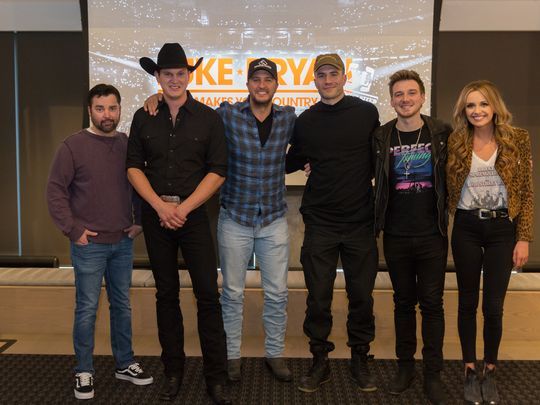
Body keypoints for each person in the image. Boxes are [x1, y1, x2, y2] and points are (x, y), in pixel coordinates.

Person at [144, 58, 296, 382]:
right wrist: (157, 97)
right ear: (247, 84)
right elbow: (186, 102)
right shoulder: (226, 114)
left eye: (268, 80)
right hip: (235, 219)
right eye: (256, 79)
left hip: (273, 220)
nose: (261, 85)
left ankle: (275, 354)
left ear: (276, 85)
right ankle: (231, 357)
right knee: (232, 294)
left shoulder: (289, 118)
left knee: (278, 293)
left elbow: (311, 145)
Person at [126, 43, 231, 404]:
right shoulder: (144, 117)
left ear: (190, 76)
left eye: (180, 73)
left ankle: (215, 377)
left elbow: (218, 171)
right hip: (157, 219)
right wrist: (159, 206)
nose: (174, 79)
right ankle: (173, 372)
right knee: (166, 296)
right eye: (167, 74)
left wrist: (182, 208)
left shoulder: (208, 118)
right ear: (157, 77)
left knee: (208, 297)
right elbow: (133, 167)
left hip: (195, 217)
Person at [47, 84, 153, 400]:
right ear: (90, 110)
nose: (107, 115)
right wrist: (73, 229)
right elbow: (55, 192)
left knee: (122, 306)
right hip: (88, 245)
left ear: (120, 109)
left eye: (112, 108)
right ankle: (84, 370)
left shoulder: (127, 144)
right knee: (87, 308)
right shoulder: (72, 146)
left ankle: (124, 363)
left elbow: (139, 186)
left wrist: (139, 222)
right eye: (100, 108)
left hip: (122, 242)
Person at [286, 53, 380, 393]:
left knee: (361, 297)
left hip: (360, 221)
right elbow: (290, 161)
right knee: (319, 298)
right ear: (314, 80)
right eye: (321, 75)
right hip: (321, 222)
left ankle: (360, 357)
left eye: (333, 74)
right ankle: (319, 360)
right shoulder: (305, 120)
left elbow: (377, 160)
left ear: (344, 77)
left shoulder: (366, 113)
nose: (327, 80)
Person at [446, 80, 534, 405]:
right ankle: (470, 370)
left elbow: (526, 191)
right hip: (466, 227)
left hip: (501, 229)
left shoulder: (517, 140)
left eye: (483, 104)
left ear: (494, 107)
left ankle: (490, 369)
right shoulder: (455, 142)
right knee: (467, 303)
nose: (477, 111)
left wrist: (523, 237)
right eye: (471, 105)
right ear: (464, 111)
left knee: (493, 307)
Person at [372, 70, 451, 404]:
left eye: (411, 93)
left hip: (432, 233)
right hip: (396, 234)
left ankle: (432, 374)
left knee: (432, 305)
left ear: (422, 96)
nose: (405, 99)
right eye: (399, 94)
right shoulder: (381, 137)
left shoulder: (441, 132)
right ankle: (406, 368)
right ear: (392, 100)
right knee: (403, 303)